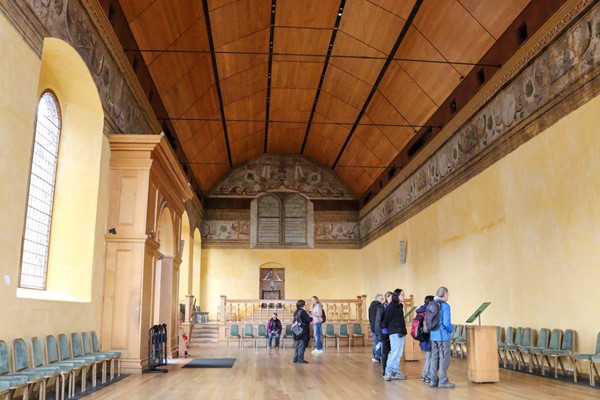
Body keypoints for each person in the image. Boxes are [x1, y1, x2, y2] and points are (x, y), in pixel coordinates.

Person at [429, 286, 455, 388]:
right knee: (444, 358)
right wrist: (451, 329)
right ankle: (443, 381)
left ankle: (433, 381)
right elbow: (446, 323)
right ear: (444, 295)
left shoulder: (431, 304)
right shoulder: (445, 306)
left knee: (434, 358)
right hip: (442, 336)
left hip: (433, 335)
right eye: (448, 294)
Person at [382, 289, 407, 381]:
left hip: (401, 331)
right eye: (402, 295)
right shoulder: (392, 306)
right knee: (394, 353)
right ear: (397, 296)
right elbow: (386, 319)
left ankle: (395, 372)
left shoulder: (400, 306)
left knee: (399, 354)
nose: (404, 296)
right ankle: (387, 373)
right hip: (395, 332)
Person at [415, 295, 434, 382]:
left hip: (422, 337)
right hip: (428, 337)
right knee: (430, 357)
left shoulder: (420, 311)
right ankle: (427, 375)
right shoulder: (428, 311)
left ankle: (425, 374)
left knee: (428, 357)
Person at [376, 291, 393, 375]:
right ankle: (384, 369)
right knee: (385, 352)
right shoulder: (381, 307)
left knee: (393, 351)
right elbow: (378, 321)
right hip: (384, 332)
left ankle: (391, 369)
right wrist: (379, 335)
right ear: (387, 297)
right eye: (391, 297)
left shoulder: (394, 307)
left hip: (392, 332)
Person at [292, 300, 312, 364]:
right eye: (305, 305)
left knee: (297, 345)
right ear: (302, 305)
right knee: (302, 345)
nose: (306, 306)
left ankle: (295, 359)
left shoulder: (296, 312)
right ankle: (300, 360)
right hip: (303, 331)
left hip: (297, 331)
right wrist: (311, 317)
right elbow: (308, 320)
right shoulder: (303, 312)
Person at [369, 294, 384, 363]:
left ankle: (375, 355)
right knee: (379, 342)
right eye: (381, 299)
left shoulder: (370, 307)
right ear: (377, 299)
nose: (383, 300)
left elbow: (370, 318)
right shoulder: (379, 307)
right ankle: (377, 356)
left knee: (375, 342)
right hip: (378, 327)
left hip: (372, 326)